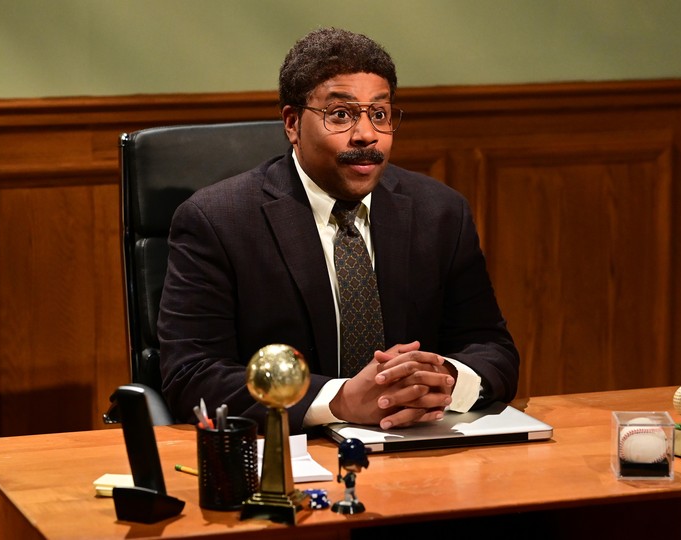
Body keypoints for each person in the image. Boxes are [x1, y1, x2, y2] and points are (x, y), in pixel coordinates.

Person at [157, 27, 519, 434]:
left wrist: (448, 380)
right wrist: (340, 400)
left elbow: (492, 348)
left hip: (420, 441)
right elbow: (192, 374)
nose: (366, 135)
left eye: (379, 114)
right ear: (292, 124)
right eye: (341, 114)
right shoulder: (218, 220)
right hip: (292, 454)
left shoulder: (440, 212)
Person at [332, 438, 369, 514]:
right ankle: (354, 500)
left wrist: (340, 479)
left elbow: (344, 481)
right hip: (352, 487)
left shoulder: (350, 475)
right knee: (353, 494)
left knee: (348, 493)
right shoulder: (352, 475)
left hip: (349, 488)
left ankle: (348, 501)